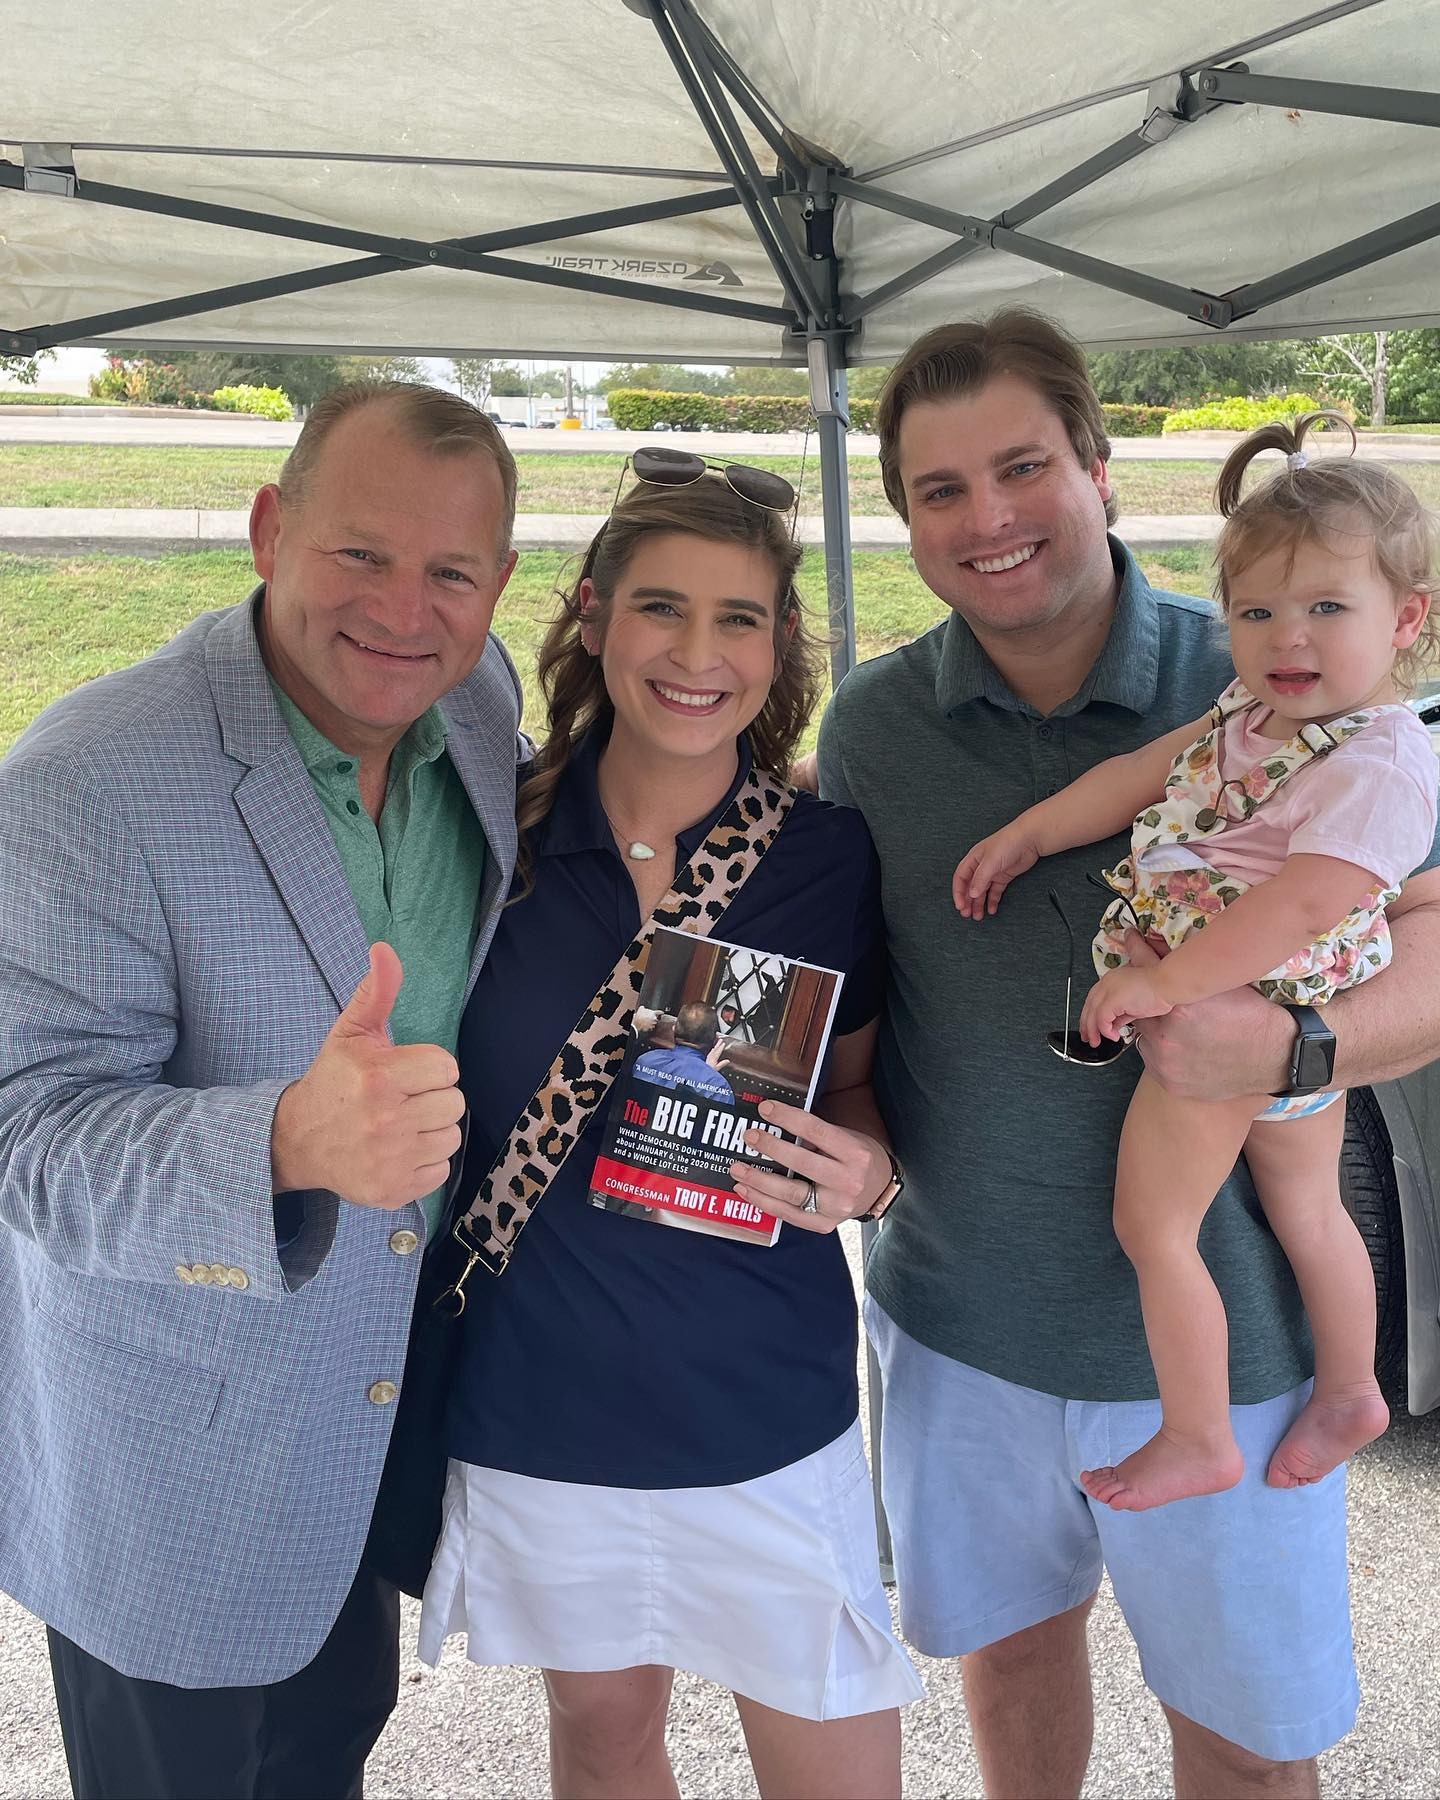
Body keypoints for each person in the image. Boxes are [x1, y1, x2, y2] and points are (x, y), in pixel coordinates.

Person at [815, 311, 1440, 1798]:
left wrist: (1292, 1047)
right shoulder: (874, 727)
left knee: (1243, 1744)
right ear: (903, 517)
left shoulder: (1301, 663)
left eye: (1024, 466)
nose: (990, 519)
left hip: (1238, 1350)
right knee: (1014, 1672)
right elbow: (863, 1001)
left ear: (1100, 467)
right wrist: (847, 1137)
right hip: (958, 1327)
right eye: (939, 491)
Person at [0, 381, 524, 1800]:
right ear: (268, 529)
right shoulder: (85, 780)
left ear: (501, 588)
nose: (403, 610)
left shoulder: (478, 708)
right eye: (360, 554)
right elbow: (28, 1141)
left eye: (450, 572)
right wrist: (282, 1137)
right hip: (170, 1469)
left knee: (319, 1759)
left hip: (359, 1430)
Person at [417, 463, 922, 1800]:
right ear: (593, 617)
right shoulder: (490, 839)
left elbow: (859, 1091)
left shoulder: (826, 857)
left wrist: (867, 1170)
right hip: (541, 1405)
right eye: (660, 609)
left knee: (834, 1756)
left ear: (782, 646)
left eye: (741, 620)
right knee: (601, 1735)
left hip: (761, 1400)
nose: (699, 656)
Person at [954, 413, 1437, 1511]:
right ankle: (1354, 1389)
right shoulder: (1253, 712)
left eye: (1326, 608)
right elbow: (1141, 771)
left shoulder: (1382, 758)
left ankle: (1197, 1431)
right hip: (1282, 1025)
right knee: (1312, 1214)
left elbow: (1313, 898)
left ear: (1406, 618)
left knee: (1154, 1226)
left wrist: (1165, 984)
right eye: (1257, 610)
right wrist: (1035, 832)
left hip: (1238, 1007)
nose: (1288, 638)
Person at [633, 1000, 738, 1103]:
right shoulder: (719, 1088)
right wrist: (707, 1076)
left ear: (674, 1029)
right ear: (715, 1040)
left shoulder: (645, 1061)